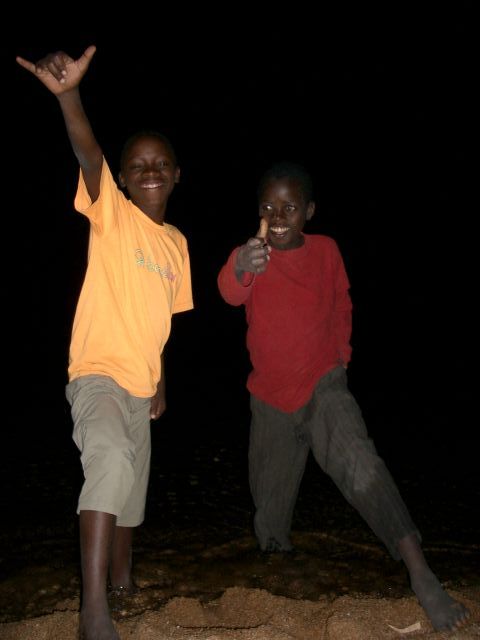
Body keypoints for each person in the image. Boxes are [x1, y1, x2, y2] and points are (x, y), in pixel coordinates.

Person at [217, 161, 470, 633]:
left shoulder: (327, 251)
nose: (278, 217)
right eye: (268, 207)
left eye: (290, 207)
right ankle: (280, 578)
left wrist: (341, 358)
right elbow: (230, 293)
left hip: (323, 385)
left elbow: (341, 303)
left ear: (309, 211)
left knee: (361, 463)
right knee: (269, 511)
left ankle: (421, 573)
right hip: (269, 398)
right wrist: (241, 265)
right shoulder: (252, 255)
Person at [17, 47, 193, 640]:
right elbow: (87, 152)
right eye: (137, 164)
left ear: (176, 174)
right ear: (122, 178)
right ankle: (93, 610)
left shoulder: (178, 245)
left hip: (141, 385)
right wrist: (69, 96)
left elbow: (162, 319)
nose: (149, 170)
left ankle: (123, 584)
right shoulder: (112, 214)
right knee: (111, 462)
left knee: (131, 499)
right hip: (96, 374)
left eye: (160, 163)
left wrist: (160, 382)